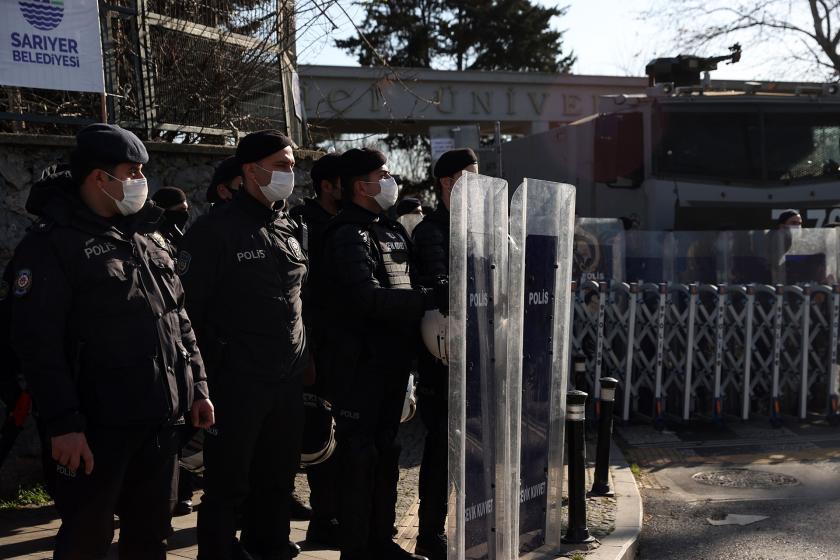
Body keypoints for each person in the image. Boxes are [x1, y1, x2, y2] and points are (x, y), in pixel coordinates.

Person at [8, 123, 214, 560]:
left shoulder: (145, 236)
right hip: (95, 430)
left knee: (151, 536)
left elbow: (178, 317)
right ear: (100, 178)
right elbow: (38, 345)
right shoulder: (51, 246)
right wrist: (64, 424)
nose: (141, 181)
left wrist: (197, 387)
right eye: (133, 171)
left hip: (159, 422)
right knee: (87, 540)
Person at [179, 130, 308, 560]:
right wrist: (215, 368)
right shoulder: (214, 231)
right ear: (251, 170)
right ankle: (216, 552)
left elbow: (296, 300)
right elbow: (188, 309)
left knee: (278, 476)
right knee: (229, 481)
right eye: (282, 164)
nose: (291, 172)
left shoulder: (287, 225)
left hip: (285, 380)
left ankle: (268, 545)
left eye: (292, 164)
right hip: (238, 382)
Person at [321, 147, 448, 560]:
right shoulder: (344, 235)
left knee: (387, 452)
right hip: (359, 368)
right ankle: (356, 549)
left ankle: (381, 541)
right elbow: (368, 300)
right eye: (384, 174)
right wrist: (431, 297)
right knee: (359, 457)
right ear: (361, 185)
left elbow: (406, 285)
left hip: (393, 363)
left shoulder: (390, 231)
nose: (391, 181)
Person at [411, 148, 477, 560]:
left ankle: (472, 519)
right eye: (470, 178)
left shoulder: (480, 227)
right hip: (443, 358)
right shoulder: (432, 230)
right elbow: (444, 285)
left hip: (479, 354)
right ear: (447, 184)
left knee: (472, 447)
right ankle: (430, 532)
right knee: (441, 449)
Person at [289, 152, 344, 546]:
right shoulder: (302, 224)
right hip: (313, 348)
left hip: (345, 348)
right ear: (327, 185)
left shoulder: (352, 223)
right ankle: (323, 520)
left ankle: (337, 518)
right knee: (316, 435)